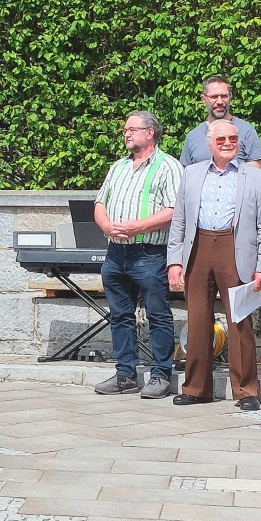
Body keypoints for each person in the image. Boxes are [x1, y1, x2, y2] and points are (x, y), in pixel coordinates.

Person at [168, 120, 261, 410]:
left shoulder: (255, 177)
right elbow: (179, 221)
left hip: (236, 249)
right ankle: (196, 388)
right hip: (198, 249)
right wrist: (174, 261)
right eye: (221, 140)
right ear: (209, 144)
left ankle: (246, 391)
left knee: (240, 321)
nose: (228, 143)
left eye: (233, 138)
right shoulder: (191, 173)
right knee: (198, 319)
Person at [93, 111, 184, 399]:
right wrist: (107, 226)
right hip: (115, 252)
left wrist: (137, 227)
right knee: (120, 315)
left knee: (158, 315)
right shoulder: (118, 167)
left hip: (149, 253)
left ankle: (160, 374)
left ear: (150, 133)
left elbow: (175, 210)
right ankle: (125, 374)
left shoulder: (169, 167)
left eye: (131, 129)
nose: (126, 134)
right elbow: (99, 202)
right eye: (124, 130)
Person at [179, 76, 261, 168]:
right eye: (214, 97)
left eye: (224, 96)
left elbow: (256, 172)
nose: (219, 101)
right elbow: (186, 175)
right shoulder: (193, 136)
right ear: (203, 99)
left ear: (230, 97)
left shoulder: (247, 131)